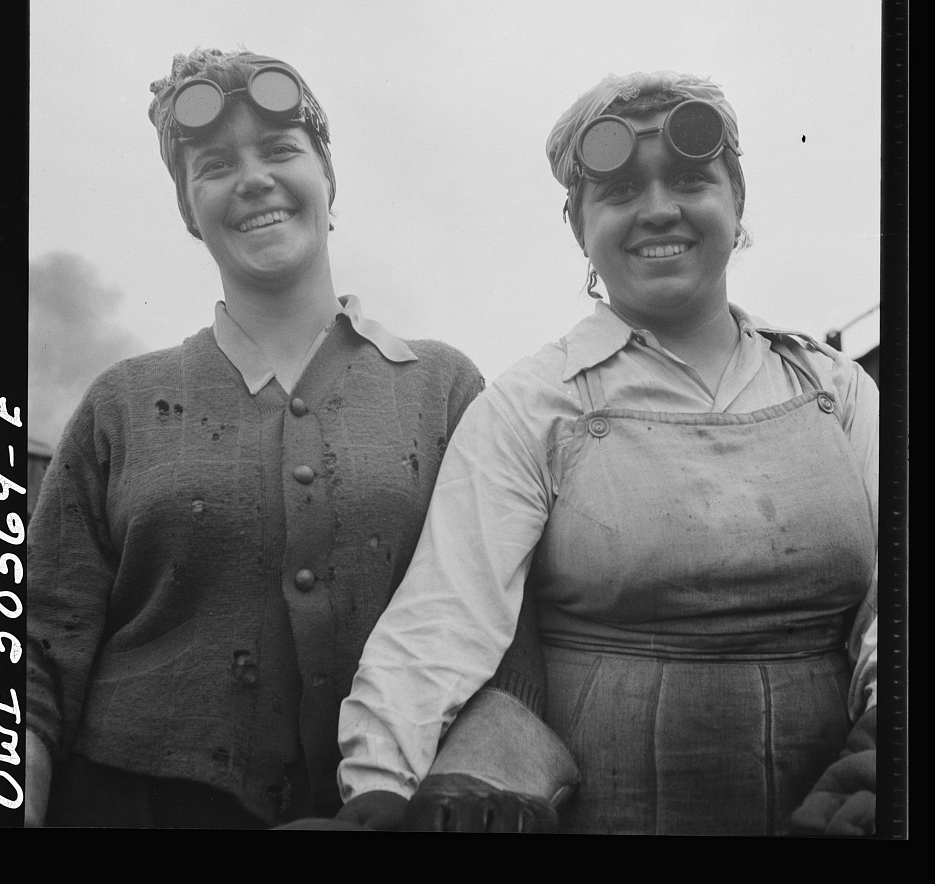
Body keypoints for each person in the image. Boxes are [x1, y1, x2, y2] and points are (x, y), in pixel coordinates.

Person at [337, 71, 878, 835]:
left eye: (691, 179)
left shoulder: (838, 390)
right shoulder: (529, 406)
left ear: (737, 198)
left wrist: (877, 774)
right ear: (576, 224)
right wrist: (377, 796)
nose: (659, 209)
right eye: (619, 192)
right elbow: (440, 625)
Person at [25, 48, 483, 828]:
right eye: (213, 165)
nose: (252, 180)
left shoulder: (444, 389)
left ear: (327, 177)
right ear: (186, 209)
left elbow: (498, 623)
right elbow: (35, 653)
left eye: (279, 151)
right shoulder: (121, 402)